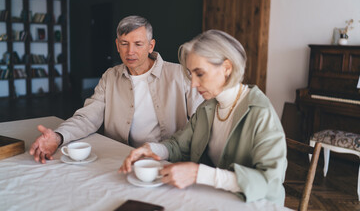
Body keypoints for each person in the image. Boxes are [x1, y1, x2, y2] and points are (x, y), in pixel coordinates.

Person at [119, 30, 287, 205]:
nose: (193, 84)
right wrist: (152, 150)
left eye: (200, 74)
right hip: (212, 199)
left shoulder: (261, 113)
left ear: (227, 68)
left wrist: (199, 174)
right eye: (191, 75)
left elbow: (271, 183)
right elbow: (179, 144)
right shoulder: (207, 107)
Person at [29, 15, 203, 164]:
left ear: (151, 46)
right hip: (120, 158)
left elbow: (201, 122)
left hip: (166, 160)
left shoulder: (180, 74)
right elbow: (87, 117)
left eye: (138, 44)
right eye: (124, 43)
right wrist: (59, 136)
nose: (130, 51)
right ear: (117, 45)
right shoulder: (110, 77)